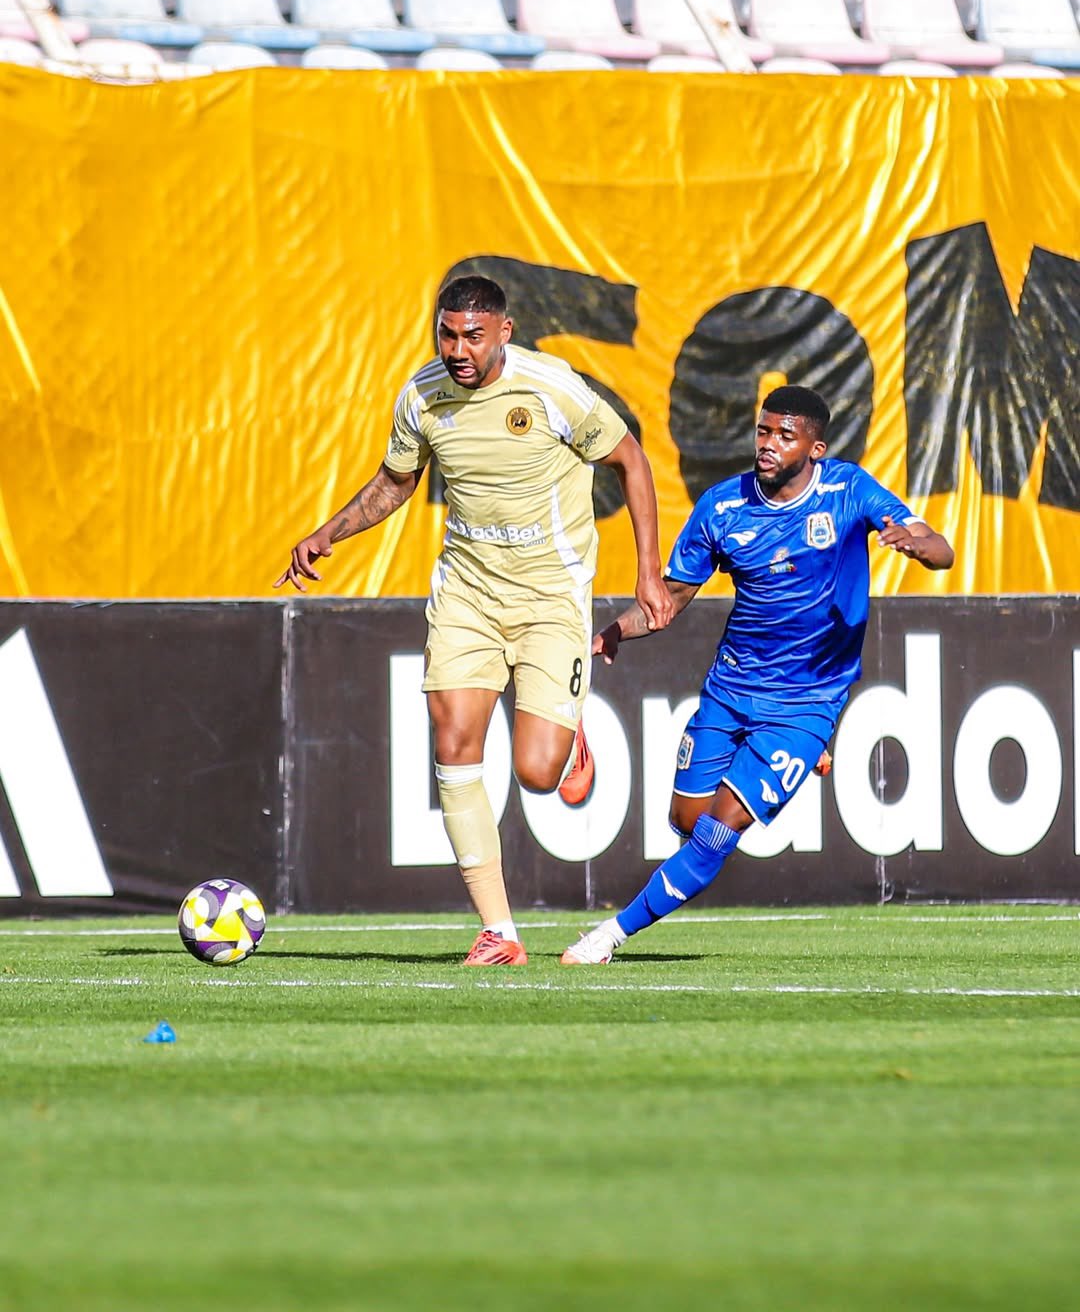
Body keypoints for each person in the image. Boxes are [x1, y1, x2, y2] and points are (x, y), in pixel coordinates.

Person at [275, 274, 673, 966]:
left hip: (551, 597)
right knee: (453, 738)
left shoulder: (551, 389)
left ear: (504, 333)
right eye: (447, 335)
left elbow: (630, 461)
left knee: (538, 773)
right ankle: (500, 932)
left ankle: (568, 731)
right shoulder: (422, 395)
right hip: (468, 596)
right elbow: (396, 482)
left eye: (473, 336)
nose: (458, 350)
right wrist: (327, 533)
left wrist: (647, 573)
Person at [561, 384, 954, 965]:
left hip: (806, 702)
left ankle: (607, 938)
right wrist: (616, 631)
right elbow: (671, 597)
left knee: (719, 831)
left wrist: (921, 547)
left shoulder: (848, 490)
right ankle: (795, 759)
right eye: (763, 431)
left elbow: (940, 548)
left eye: (784, 436)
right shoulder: (722, 506)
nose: (768, 444)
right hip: (730, 691)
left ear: (815, 449)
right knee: (688, 821)